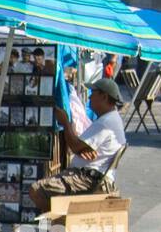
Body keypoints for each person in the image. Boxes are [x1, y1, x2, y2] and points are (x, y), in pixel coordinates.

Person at [29, 77, 125, 213]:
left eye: (93, 93)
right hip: (89, 174)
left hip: (88, 179)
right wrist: (80, 147)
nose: (90, 97)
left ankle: (59, 221)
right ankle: (58, 221)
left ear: (104, 97)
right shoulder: (110, 119)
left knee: (37, 190)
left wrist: (65, 122)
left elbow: (74, 145)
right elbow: (80, 147)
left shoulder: (106, 122)